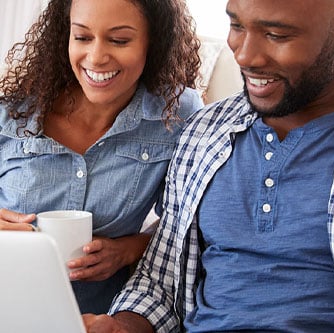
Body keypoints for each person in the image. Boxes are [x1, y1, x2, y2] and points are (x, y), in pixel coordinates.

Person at [82, 0, 334, 332]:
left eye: (276, 34)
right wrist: (122, 326)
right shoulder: (206, 131)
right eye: (237, 26)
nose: (245, 55)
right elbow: (161, 281)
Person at [0, 0, 203, 315]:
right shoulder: (12, 111)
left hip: (97, 318)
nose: (95, 57)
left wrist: (128, 250)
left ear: (154, 41)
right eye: (82, 37)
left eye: (119, 40)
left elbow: (187, 227)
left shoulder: (175, 115)